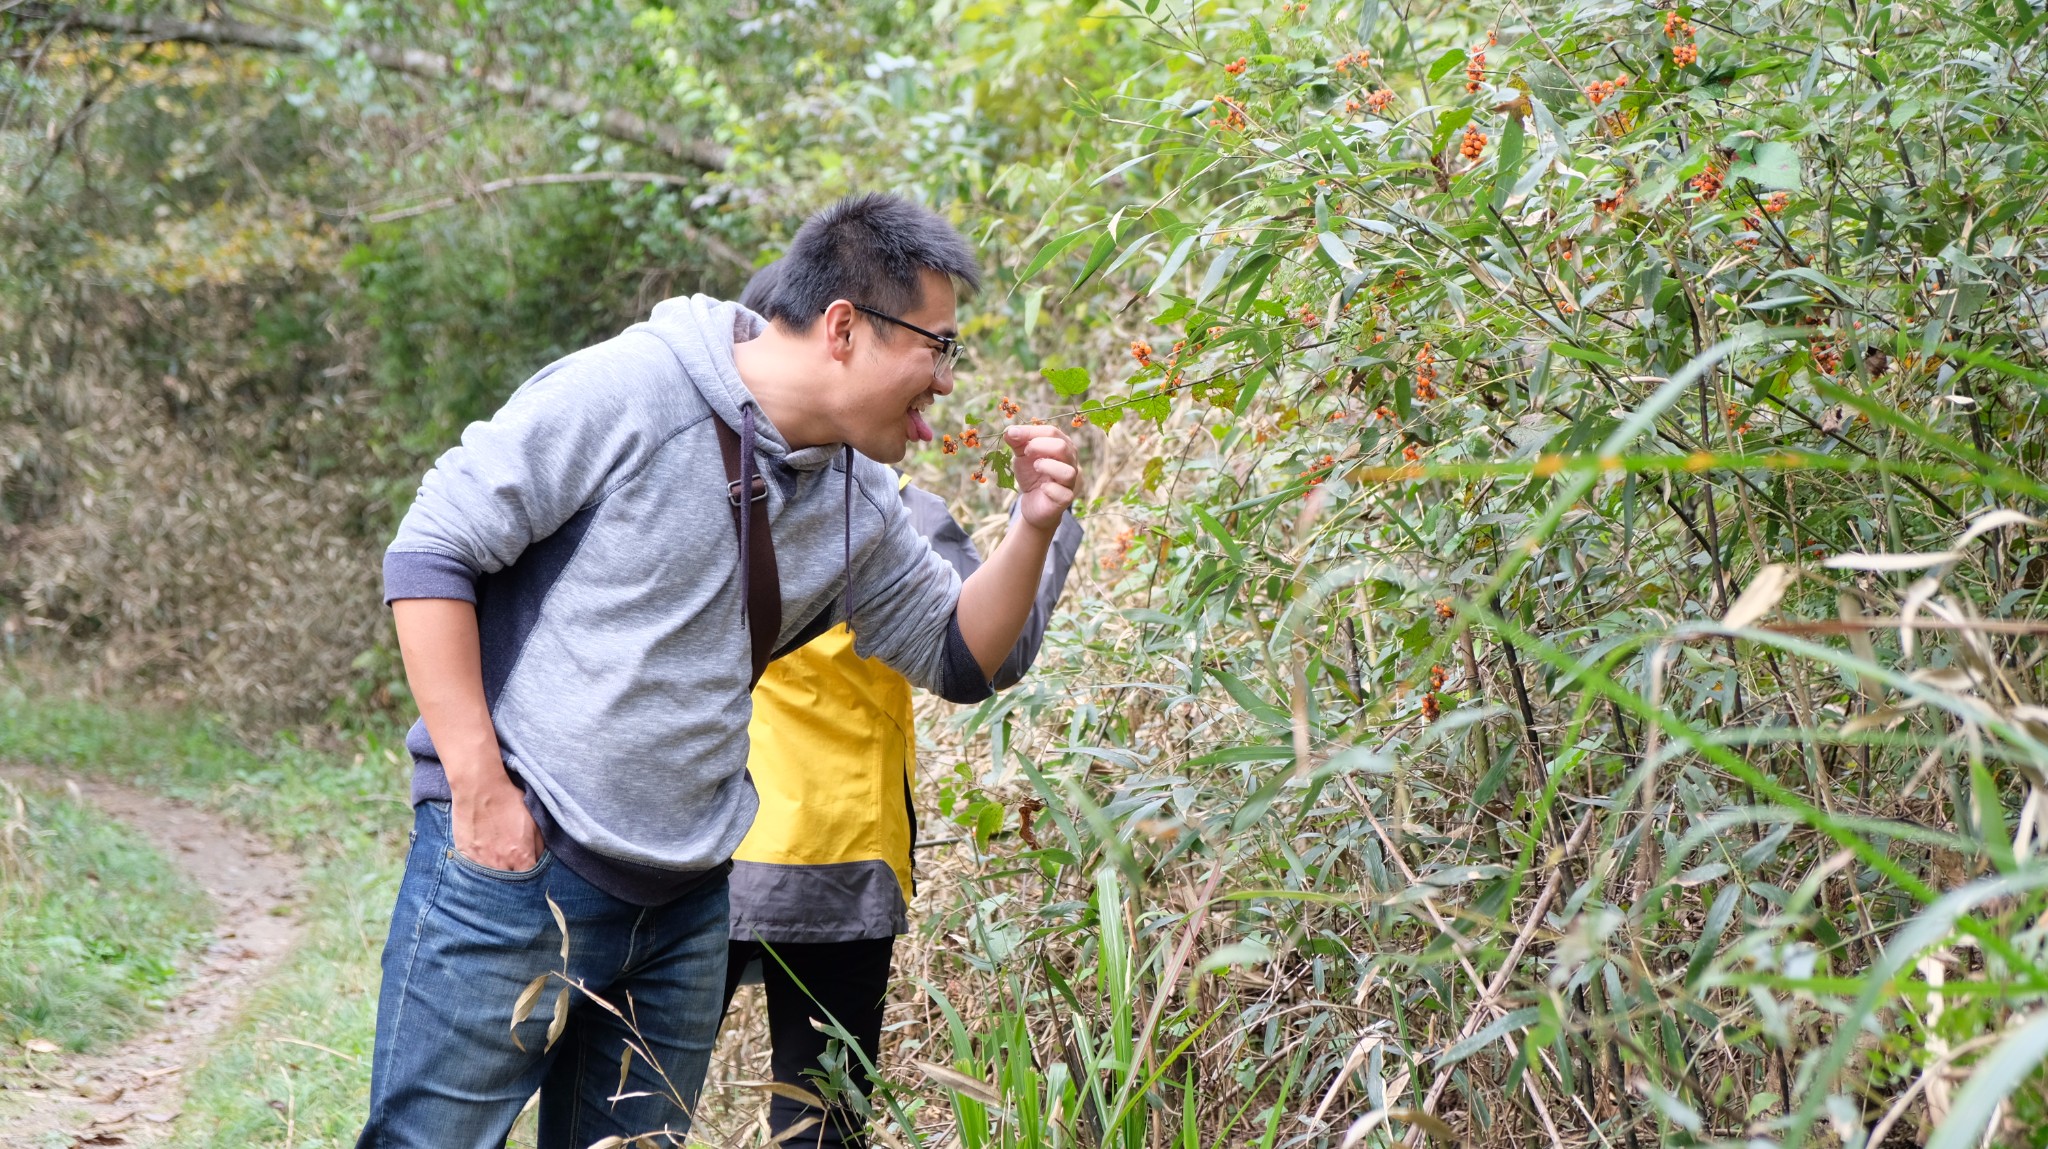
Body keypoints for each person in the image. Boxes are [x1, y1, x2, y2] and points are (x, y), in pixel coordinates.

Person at [361, 193, 1082, 1149]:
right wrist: (481, 790)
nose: (946, 380)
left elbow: (959, 653)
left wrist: (1033, 527)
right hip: (515, 869)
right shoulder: (632, 389)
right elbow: (431, 551)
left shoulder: (859, 498)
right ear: (843, 328)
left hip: (688, 902)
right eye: (938, 346)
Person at [721, 262, 1084, 1147]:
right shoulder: (889, 513)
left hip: (708, 849)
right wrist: (1051, 525)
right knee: (821, 1127)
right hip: (840, 860)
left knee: (633, 1102)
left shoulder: (711, 486)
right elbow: (991, 652)